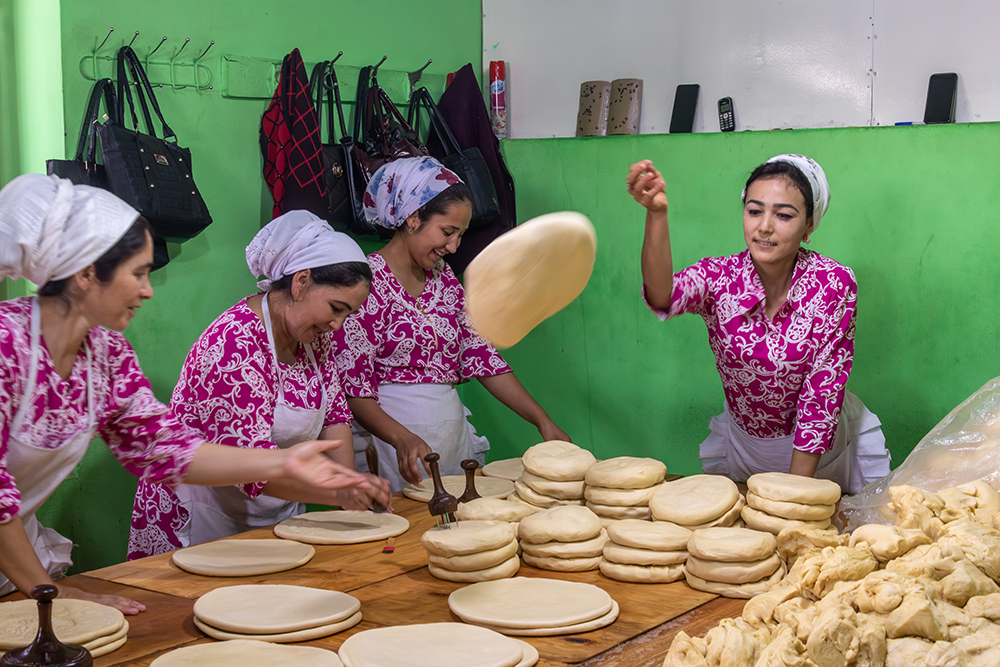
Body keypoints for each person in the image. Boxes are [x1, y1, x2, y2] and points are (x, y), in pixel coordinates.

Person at [0, 175, 381, 613]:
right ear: (87, 274)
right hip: (22, 566)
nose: (147, 290)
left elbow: (166, 450)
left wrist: (283, 460)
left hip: (16, 561)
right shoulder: (8, 347)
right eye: (139, 273)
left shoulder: (105, 354)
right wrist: (47, 589)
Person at [128, 212, 390, 559]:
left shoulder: (313, 339)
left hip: (271, 514)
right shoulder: (233, 344)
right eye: (335, 308)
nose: (338, 325)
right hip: (200, 519)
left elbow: (335, 418)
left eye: (347, 315)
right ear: (300, 282)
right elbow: (247, 464)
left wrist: (348, 485)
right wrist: (337, 492)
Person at [629, 154, 889, 494]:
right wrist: (657, 214)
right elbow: (663, 295)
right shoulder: (721, 278)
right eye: (754, 211)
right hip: (744, 445)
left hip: (819, 453)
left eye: (783, 215)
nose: (764, 227)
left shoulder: (833, 284)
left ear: (809, 225)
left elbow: (821, 397)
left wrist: (791, 500)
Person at [333, 157, 570, 491]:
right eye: (447, 232)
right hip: (389, 444)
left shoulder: (443, 280)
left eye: (460, 235)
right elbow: (354, 389)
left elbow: (481, 356)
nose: (453, 246)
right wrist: (401, 438)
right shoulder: (365, 284)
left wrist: (542, 421)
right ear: (413, 219)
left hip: (448, 435)